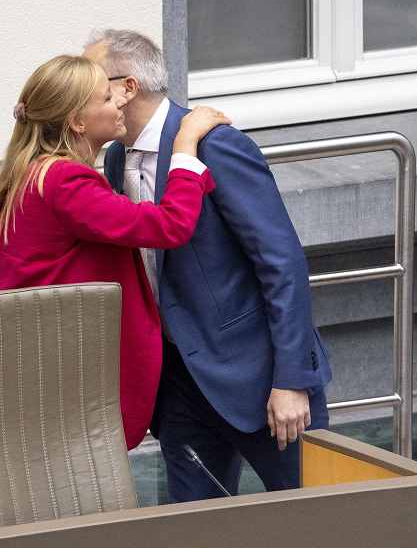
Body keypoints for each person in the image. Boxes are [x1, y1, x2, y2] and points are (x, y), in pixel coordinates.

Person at [84, 29, 332, 501]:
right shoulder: (115, 156)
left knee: (319, 517)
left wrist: (291, 381)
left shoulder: (217, 145)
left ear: (127, 87)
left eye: (91, 83)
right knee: (194, 524)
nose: (81, 93)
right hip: (179, 382)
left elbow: (281, 262)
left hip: (260, 380)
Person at [0, 54, 229, 449]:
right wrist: (184, 148)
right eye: (105, 97)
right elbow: (170, 225)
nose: (119, 101)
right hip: (71, 383)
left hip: (48, 371)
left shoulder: (37, 171)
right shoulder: (64, 180)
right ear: (78, 122)